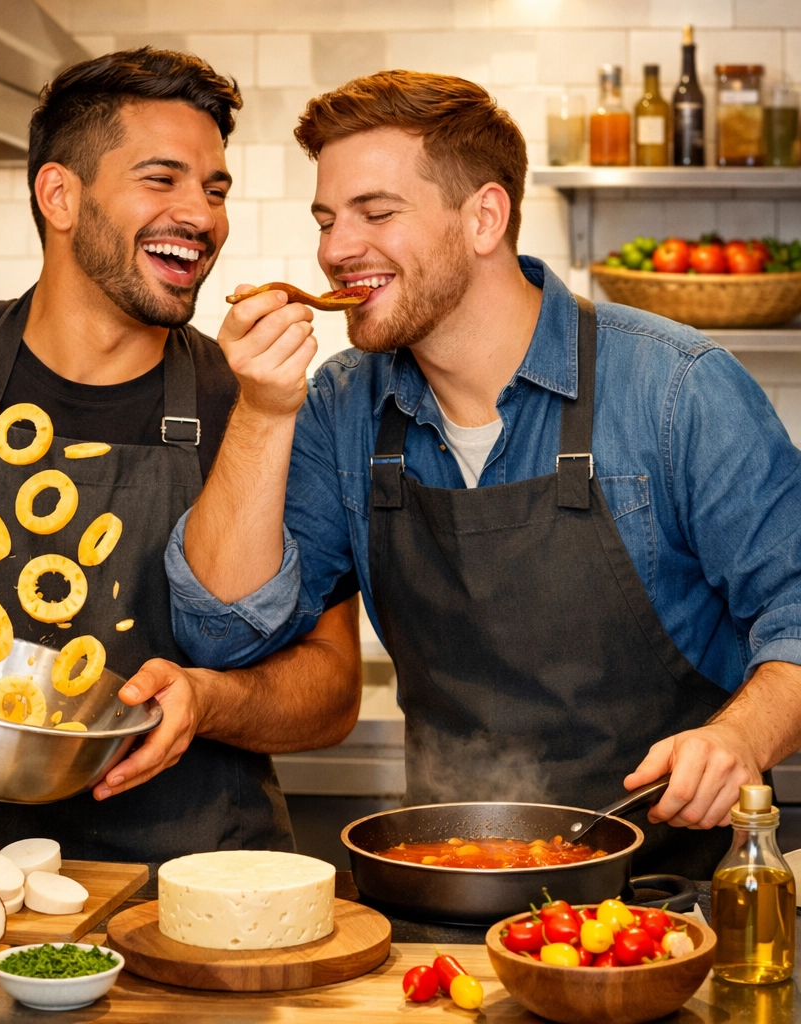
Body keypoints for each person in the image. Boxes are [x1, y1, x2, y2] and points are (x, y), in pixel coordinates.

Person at [167, 70, 801, 877]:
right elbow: (220, 634)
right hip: (450, 891)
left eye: (376, 212)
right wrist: (260, 412)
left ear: (484, 217)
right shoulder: (341, 406)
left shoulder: (675, 388)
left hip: (680, 904)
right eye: (327, 219)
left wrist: (740, 737)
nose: (334, 249)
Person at [0, 48, 361, 862]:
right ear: (60, 195)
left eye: (214, 187)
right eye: (162, 180)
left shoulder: (257, 403)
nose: (203, 215)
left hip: (194, 905)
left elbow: (333, 688)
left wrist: (209, 699)